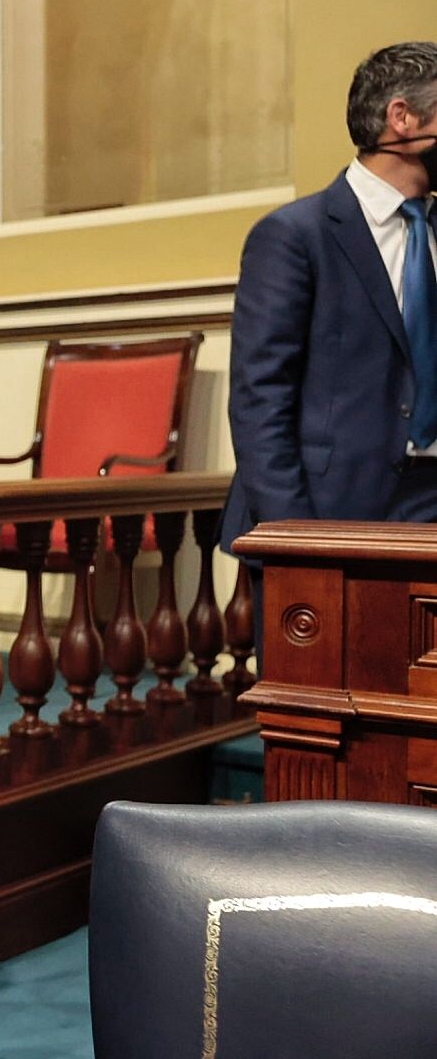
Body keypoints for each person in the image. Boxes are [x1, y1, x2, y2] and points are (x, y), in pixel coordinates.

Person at [222, 42, 437, 650]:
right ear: (403, 118)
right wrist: (301, 540)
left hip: (428, 508)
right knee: (317, 725)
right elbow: (260, 399)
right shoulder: (294, 235)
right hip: (326, 515)